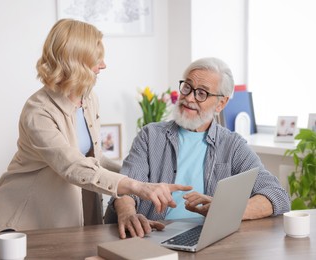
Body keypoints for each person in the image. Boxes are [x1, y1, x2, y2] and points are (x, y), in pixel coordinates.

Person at [0, 19, 190, 234]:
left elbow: (94, 158)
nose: (103, 64)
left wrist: (140, 179)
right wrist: (138, 187)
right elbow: (72, 166)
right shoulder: (38, 111)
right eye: (97, 58)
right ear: (75, 61)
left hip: (63, 211)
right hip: (25, 214)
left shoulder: (88, 99)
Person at [104, 57, 291, 239]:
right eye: (187, 87)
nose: (189, 98)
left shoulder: (233, 146)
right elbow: (126, 187)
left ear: (221, 104)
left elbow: (277, 195)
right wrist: (128, 213)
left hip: (209, 238)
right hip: (151, 235)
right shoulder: (150, 136)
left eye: (201, 93)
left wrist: (224, 208)